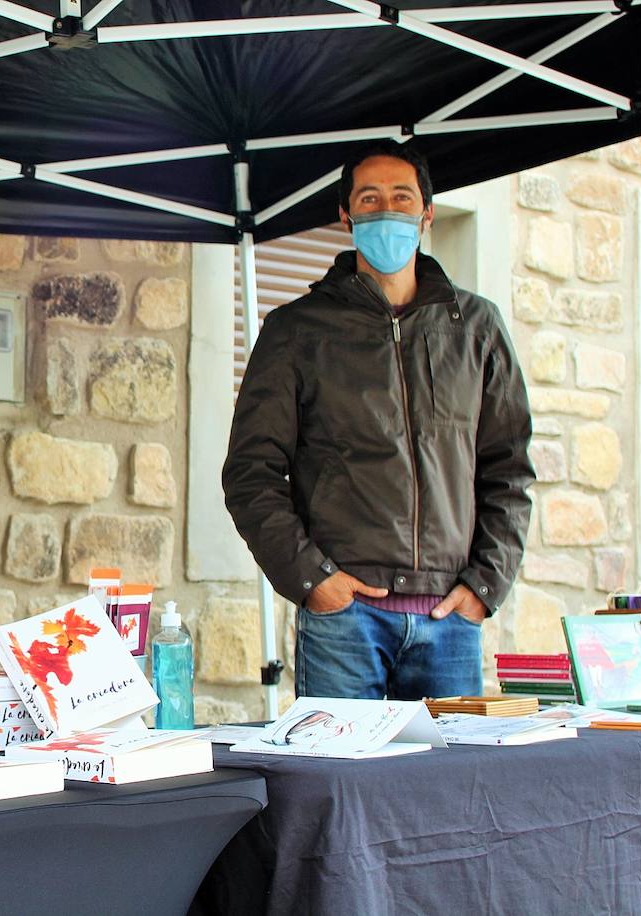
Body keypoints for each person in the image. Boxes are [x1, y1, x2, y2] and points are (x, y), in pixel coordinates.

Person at [222, 140, 534, 701]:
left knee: (448, 789)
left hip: (449, 619)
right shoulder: (296, 330)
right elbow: (251, 474)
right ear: (346, 215)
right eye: (369, 199)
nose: (386, 210)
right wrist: (313, 581)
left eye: (401, 197)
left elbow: (509, 470)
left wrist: (484, 586)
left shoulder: (477, 327)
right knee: (343, 786)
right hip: (345, 619)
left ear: (426, 212)